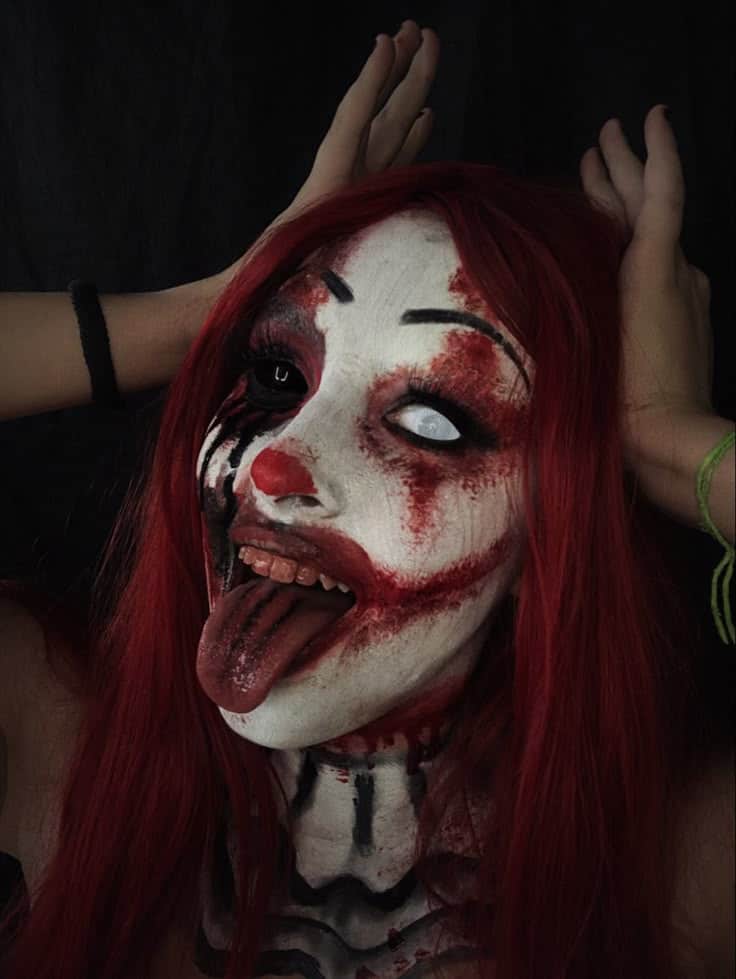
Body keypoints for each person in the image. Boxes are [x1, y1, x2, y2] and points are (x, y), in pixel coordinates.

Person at [0, 21, 733, 979]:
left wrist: (665, 436)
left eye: (430, 420)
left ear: (555, 528)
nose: (275, 461)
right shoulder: (55, 744)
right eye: (274, 375)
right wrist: (205, 315)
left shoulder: (680, 873)